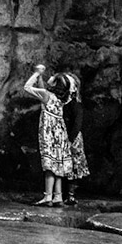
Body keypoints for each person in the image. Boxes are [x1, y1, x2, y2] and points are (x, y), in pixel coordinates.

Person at [23, 63, 72, 206]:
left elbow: (27, 87)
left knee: (49, 164)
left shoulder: (46, 95)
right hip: (60, 133)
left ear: (55, 84)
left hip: (49, 132)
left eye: (53, 78)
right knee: (58, 164)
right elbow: (44, 89)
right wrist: (42, 78)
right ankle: (58, 196)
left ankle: (48, 196)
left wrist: (37, 73)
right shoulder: (63, 98)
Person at [59, 71, 90, 205]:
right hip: (60, 137)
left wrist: (70, 139)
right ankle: (59, 193)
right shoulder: (61, 103)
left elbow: (77, 123)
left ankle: (70, 194)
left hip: (72, 139)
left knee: (73, 167)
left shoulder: (75, 104)